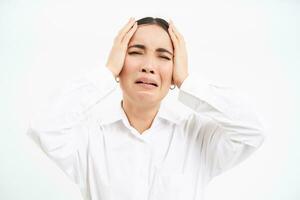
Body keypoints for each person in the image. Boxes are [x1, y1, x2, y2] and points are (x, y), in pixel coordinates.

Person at [27, 17, 265, 200]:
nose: (149, 66)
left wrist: (187, 82)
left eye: (163, 56)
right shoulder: (90, 136)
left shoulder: (197, 137)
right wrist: (106, 72)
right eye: (135, 52)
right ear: (119, 62)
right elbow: (43, 127)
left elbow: (253, 130)